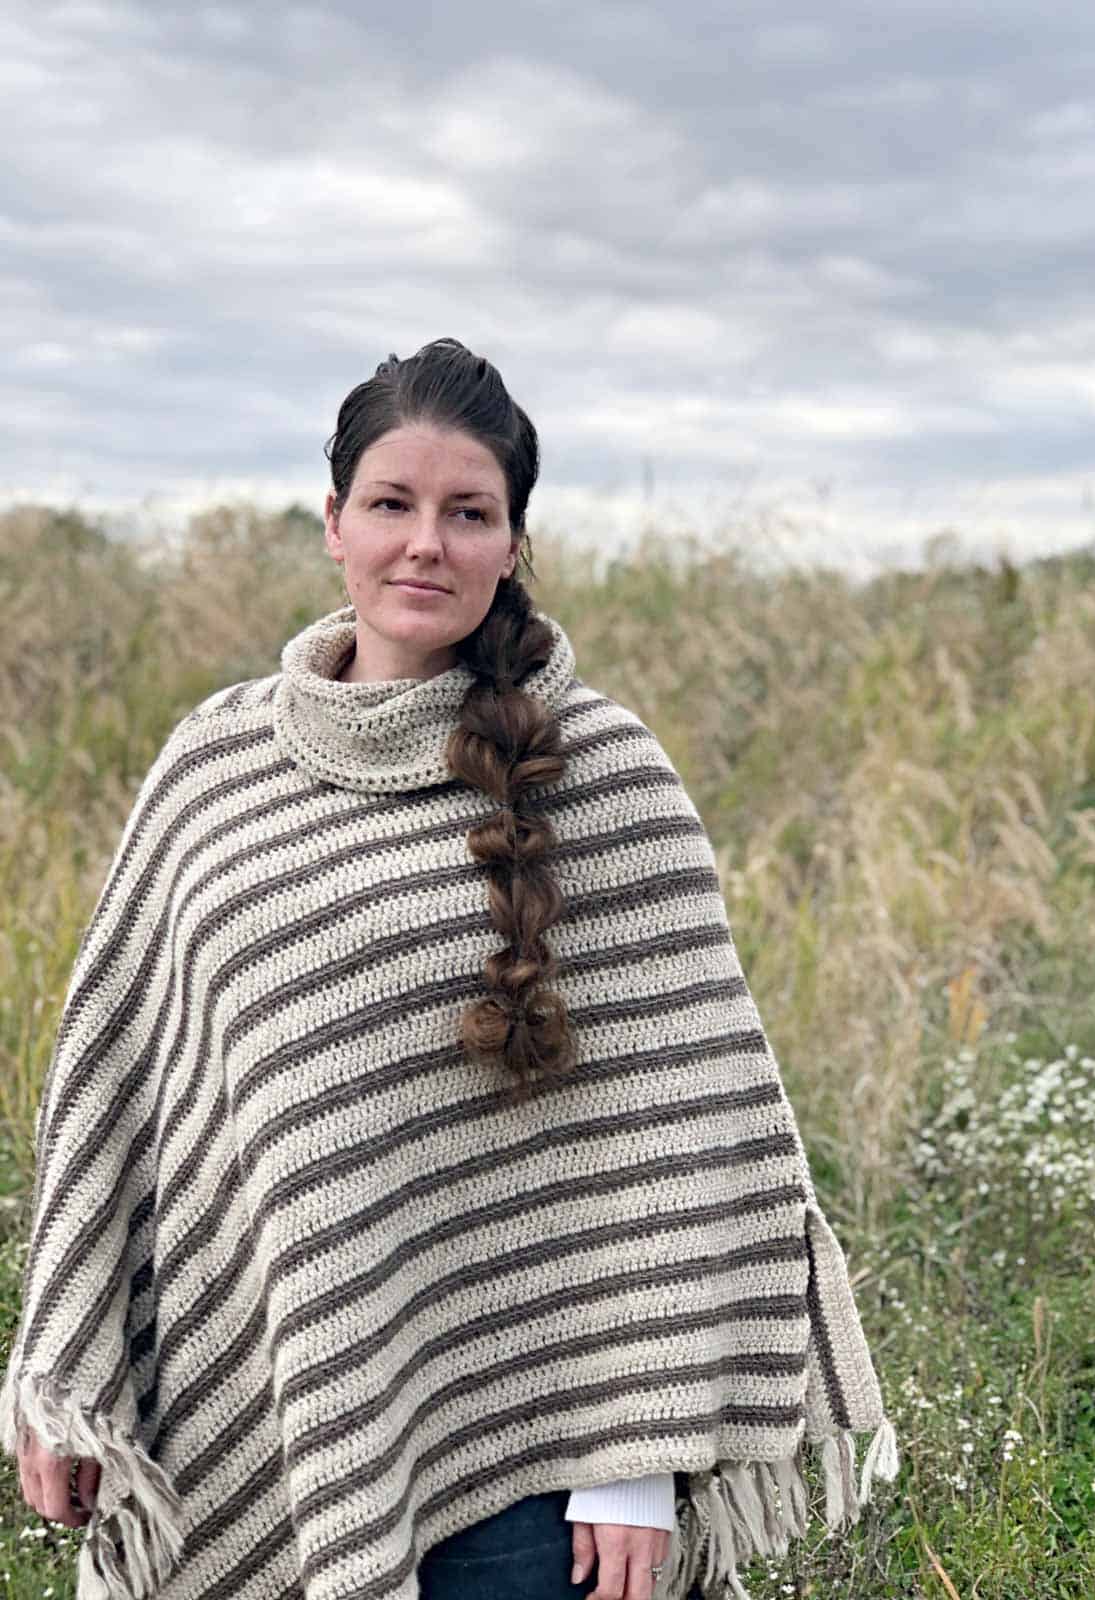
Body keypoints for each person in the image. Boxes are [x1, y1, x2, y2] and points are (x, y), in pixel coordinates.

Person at [1, 338, 899, 1600]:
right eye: (392, 504)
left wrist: (634, 1461)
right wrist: (67, 1371)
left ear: (512, 544)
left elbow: (687, 1129)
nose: (425, 542)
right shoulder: (213, 767)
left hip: (538, 1477)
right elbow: (112, 1089)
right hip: (266, 1432)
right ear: (334, 525)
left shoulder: (606, 771)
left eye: (467, 512)